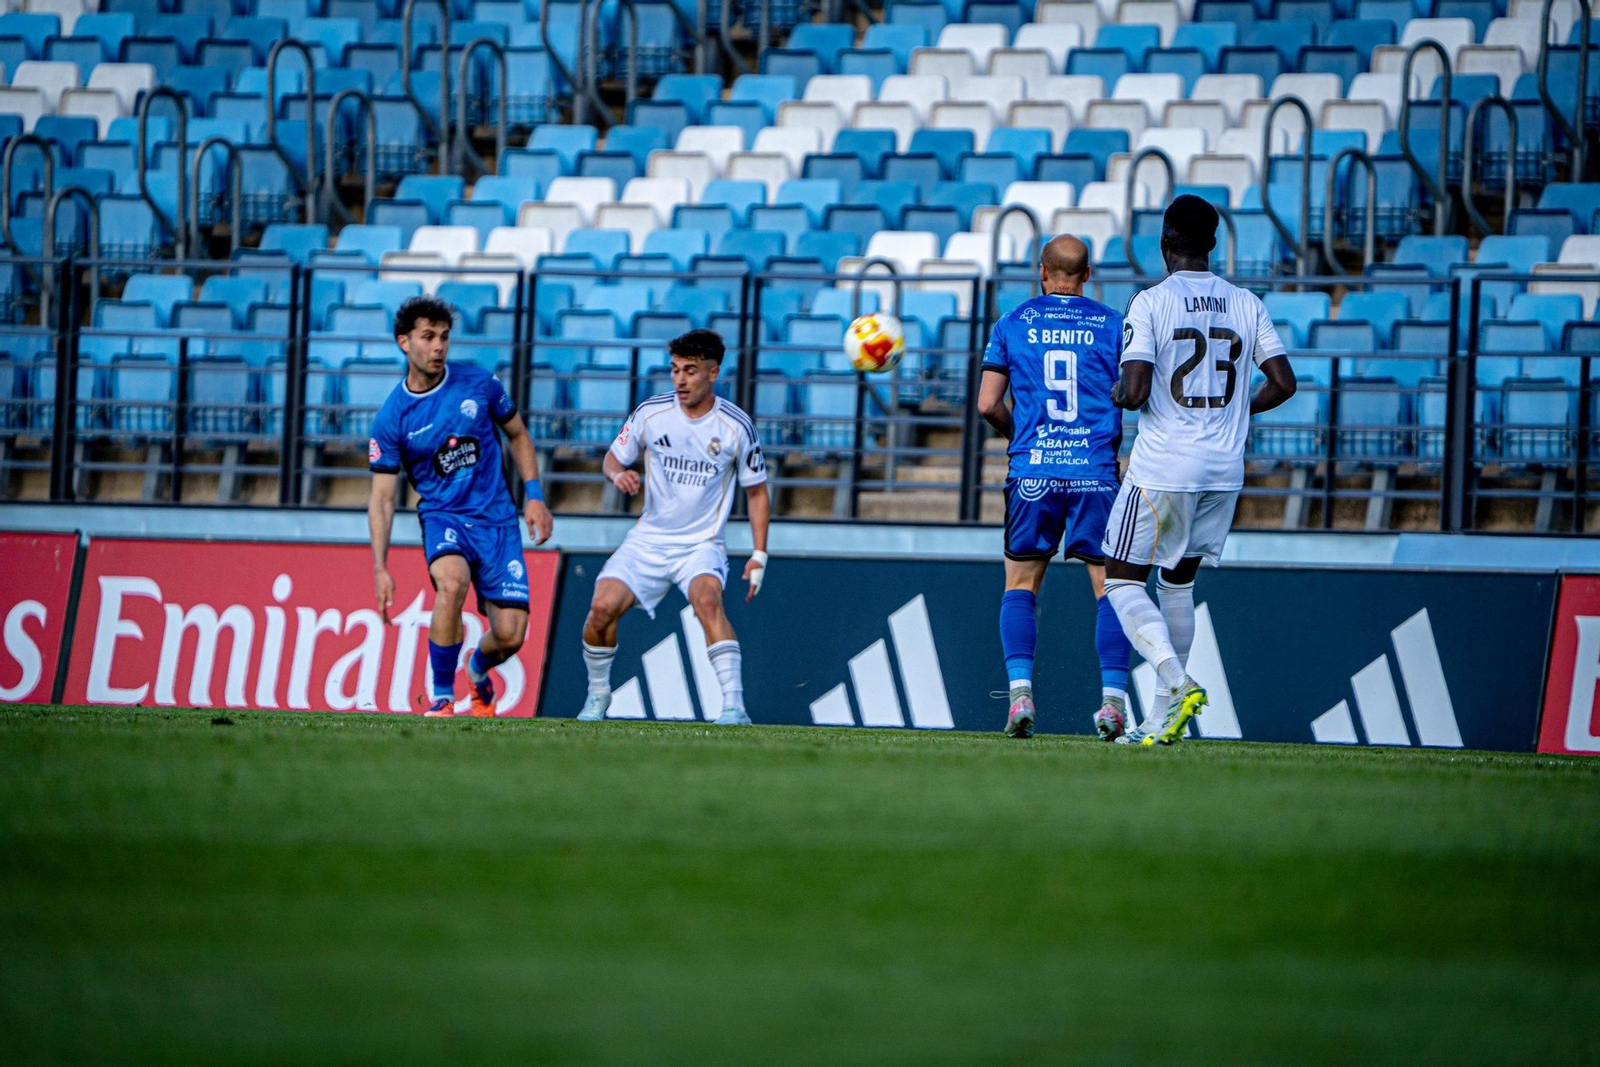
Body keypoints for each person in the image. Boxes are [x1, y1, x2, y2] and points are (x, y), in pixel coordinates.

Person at [1103, 194, 1298, 745]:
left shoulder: (1150, 302)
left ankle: (1176, 679)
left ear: (1165, 242)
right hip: (1223, 470)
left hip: (1164, 467)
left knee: (1119, 580)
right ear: (1212, 245)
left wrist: (1118, 388)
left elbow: (1136, 391)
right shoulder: (1247, 303)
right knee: (1177, 583)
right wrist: (1239, 410)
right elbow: (1284, 382)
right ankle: (1163, 719)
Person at [977, 234, 1135, 740]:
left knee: (1020, 586)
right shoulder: (1114, 326)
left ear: (1042, 272)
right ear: (1087, 275)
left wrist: (1022, 434)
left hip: (1034, 472)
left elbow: (987, 404)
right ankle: (1112, 705)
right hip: (1095, 472)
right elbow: (1134, 392)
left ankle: (1020, 695)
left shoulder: (1013, 323)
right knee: (1110, 589)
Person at [366, 295, 554, 717]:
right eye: (428, 337)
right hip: (444, 517)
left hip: (498, 520)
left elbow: (519, 435)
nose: (438, 347)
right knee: (451, 584)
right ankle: (441, 696)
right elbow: (381, 497)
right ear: (403, 342)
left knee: (510, 636)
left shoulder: (478, 383)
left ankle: (478, 668)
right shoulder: (392, 417)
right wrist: (380, 565)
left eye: (444, 338)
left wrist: (535, 496)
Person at [576, 329, 770, 725]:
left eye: (691, 371)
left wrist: (759, 555)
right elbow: (613, 459)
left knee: (708, 601)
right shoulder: (651, 413)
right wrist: (617, 476)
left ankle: (734, 707)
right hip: (648, 540)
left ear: (713, 373)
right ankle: (598, 695)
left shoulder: (736, 426)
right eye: (675, 370)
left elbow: (756, 492)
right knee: (600, 609)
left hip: (701, 544)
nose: (680, 380)